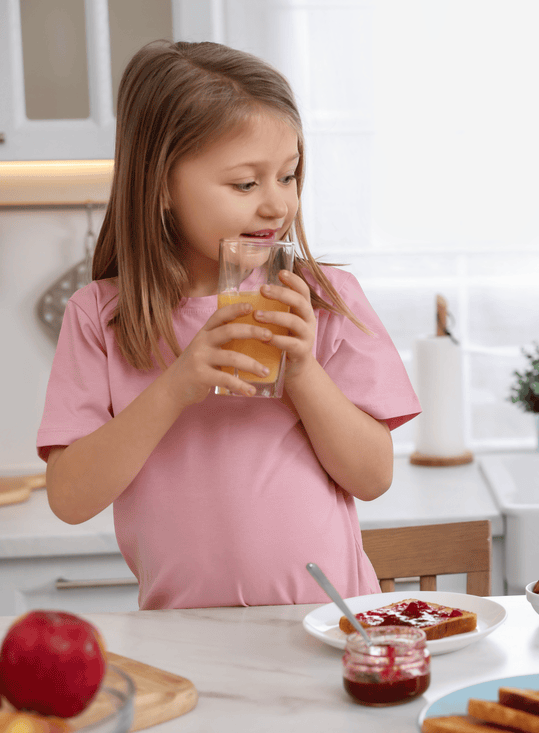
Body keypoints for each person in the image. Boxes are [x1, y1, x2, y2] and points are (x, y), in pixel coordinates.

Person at [37, 40, 420, 609]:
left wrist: (304, 372)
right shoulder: (101, 316)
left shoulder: (325, 300)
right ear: (161, 186)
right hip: (182, 641)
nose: (277, 205)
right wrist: (175, 387)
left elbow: (372, 476)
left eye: (288, 176)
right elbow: (69, 499)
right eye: (245, 184)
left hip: (327, 626)